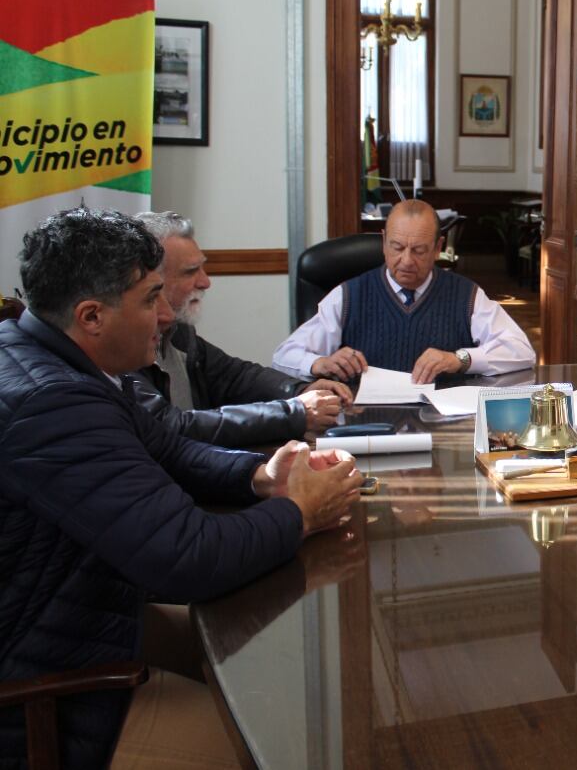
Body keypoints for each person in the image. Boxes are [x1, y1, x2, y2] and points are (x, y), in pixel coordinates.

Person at [0, 208, 364, 766]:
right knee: (277, 744)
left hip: (82, 620)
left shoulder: (52, 356)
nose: (165, 313)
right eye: (150, 299)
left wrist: (259, 476)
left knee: (266, 665)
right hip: (44, 693)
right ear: (92, 315)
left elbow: (169, 447)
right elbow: (188, 555)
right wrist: (300, 512)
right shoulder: (52, 404)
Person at [126, 211, 351, 447]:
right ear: (152, 281)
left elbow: (232, 376)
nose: (206, 282)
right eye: (190, 272)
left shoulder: (179, 331)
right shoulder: (122, 346)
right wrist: (293, 413)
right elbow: (173, 426)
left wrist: (300, 389)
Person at [272, 199, 535, 384]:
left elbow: (521, 351)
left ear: (437, 247)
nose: (407, 261)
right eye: (397, 247)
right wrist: (320, 364)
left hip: (441, 426)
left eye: (419, 250)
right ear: (384, 241)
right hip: (365, 426)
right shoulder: (349, 295)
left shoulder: (465, 295)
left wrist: (460, 359)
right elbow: (284, 356)